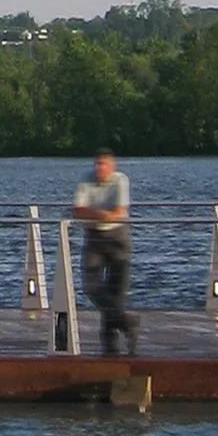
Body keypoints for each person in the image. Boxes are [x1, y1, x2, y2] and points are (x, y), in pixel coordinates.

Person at [71, 149, 133, 356]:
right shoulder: (85, 180)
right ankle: (127, 322)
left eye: (104, 164)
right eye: (97, 164)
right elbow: (77, 210)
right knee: (91, 287)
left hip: (117, 239)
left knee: (115, 291)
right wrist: (100, 214)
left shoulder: (120, 181)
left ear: (112, 166)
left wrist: (95, 213)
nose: (99, 169)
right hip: (94, 237)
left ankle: (110, 342)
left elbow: (119, 212)